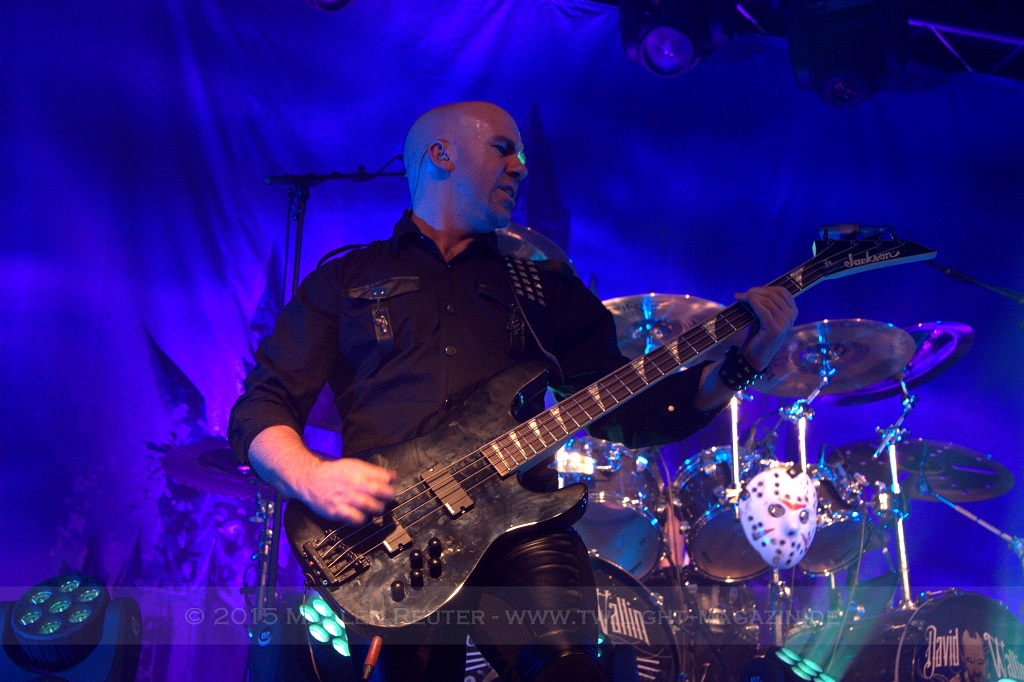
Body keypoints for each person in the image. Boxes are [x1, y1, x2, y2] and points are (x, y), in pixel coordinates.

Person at [229, 101, 797, 682]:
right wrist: (310, 476)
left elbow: (628, 410)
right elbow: (262, 403)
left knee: (568, 671)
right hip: (389, 541)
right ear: (441, 155)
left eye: (521, 153)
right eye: (503, 149)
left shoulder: (543, 289)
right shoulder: (345, 279)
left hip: (518, 528)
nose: (520, 166)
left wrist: (743, 364)